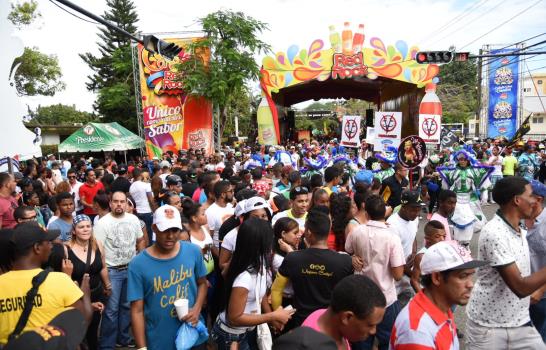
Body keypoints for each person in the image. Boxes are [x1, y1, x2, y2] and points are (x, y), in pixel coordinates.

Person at [466, 177, 546, 350]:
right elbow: (520, 287)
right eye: (531, 196)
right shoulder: (495, 233)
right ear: (517, 200)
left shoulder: (520, 229)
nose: (535, 201)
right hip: (489, 327)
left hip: (520, 321)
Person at [128, 204, 208, 350]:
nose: (170, 236)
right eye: (165, 230)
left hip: (192, 333)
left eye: (175, 230)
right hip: (159, 340)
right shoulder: (137, 264)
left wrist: (197, 309)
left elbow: (202, 283)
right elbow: (137, 310)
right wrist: (141, 347)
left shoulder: (193, 251)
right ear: (154, 228)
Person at [0, 222, 92, 345]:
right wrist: (85, 292)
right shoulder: (59, 280)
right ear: (37, 248)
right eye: (48, 242)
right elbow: (82, 319)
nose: (51, 246)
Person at [212, 218, 294, 349]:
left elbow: (259, 296)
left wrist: (273, 320)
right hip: (233, 338)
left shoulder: (258, 261)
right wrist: (272, 315)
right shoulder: (244, 277)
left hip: (248, 331)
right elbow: (235, 318)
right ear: (261, 243)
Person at [392, 240, 487, 350]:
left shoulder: (442, 307)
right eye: (463, 276)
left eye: (471, 276)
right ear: (437, 278)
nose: (471, 284)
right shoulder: (417, 333)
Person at [271, 208, 353, 327]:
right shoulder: (344, 261)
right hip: (330, 323)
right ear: (328, 230)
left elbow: (276, 290)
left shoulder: (292, 258)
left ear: (308, 232)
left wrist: (278, 316)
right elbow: (348, 295)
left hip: (301, 322)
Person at [345, 195, 405, 350]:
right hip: (386, 299)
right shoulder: (392, 237)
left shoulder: (357, 232)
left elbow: (348, 250)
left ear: (366, 213)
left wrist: (354, 257)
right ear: (384, 212)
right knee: (388, 343)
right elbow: (398, 275)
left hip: (361, 298)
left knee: (361, 343)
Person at [49, 214, 111, 350]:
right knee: (78, 334)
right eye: (81, 227)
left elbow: (103, 267)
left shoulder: (97, 245)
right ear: (73, 231)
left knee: (93, 332)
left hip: (97, 293)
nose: (85, 229)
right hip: (76, 298)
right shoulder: (66, 249)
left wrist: (108, 285)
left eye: (88, 226)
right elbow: (62, 278)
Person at [94, 191, 146, 350]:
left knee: (126, 307)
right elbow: (99, 252)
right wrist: (106, 279)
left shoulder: (133, 219)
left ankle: (123, 339)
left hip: (131, 269)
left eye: (122, 201)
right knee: (111, 310)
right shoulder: (102, 223)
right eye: (115, 201)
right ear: (110, 203)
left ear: (126, 203)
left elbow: (140, 240)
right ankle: (107, 345)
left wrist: (140, 261)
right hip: (112, 271)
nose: (119, 204)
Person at [302, 275, 386, 349]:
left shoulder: (322, 314)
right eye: (370, 325)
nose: (373, 331)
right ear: (347, 317)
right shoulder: (316, 346)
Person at [436, 150, 493, 247]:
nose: (462, 161)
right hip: (456, 200)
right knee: (457, 221)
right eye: (460, 159)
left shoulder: (473, 171)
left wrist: (484, 196)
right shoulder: (453, 171)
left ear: (468, 160)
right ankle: (456, 243)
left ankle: (466, 244)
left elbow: (482, 181)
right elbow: (446, 185)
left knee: (473, 221)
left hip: (470, 200)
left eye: (464, 159)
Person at [387, 190, 422, 306]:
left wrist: (414, 251)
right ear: (403, 207)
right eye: (413, 209)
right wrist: (413, 275)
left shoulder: (414, 219)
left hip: (407, 273)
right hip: (395, 277)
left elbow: (414, 236)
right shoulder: (392, 225)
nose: (417, 213)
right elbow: (390, 257)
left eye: (419, 209)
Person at [525, 180, 546, 341]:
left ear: (538, 200)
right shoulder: (519, 219)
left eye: (524, 196)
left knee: (539, 338)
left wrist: (540, 290)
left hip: (541, 295)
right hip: (523, 290)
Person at [410, 220, 447, 293]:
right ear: (427, 238)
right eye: (437, 236)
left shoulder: (442, 251)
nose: (442, 239)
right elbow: (414, 281)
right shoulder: (422, 256)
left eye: (444, 236)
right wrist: (425, 299)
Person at [129, 168, 157, 245]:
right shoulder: (146, 185)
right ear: (141, 175)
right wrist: (155, 211)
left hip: (137, 212)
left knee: (141, 234)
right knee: (149, 233)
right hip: (147, 212)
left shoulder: (131, 187)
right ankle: (150, 249)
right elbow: (151, 200)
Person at [205, 180, 235, 249]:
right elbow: (210, 239)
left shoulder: (231, 207)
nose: (233, 193)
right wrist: (219, 257)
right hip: (220, 251)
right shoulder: (210, 212)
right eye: (231, 191)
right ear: (223, 195)